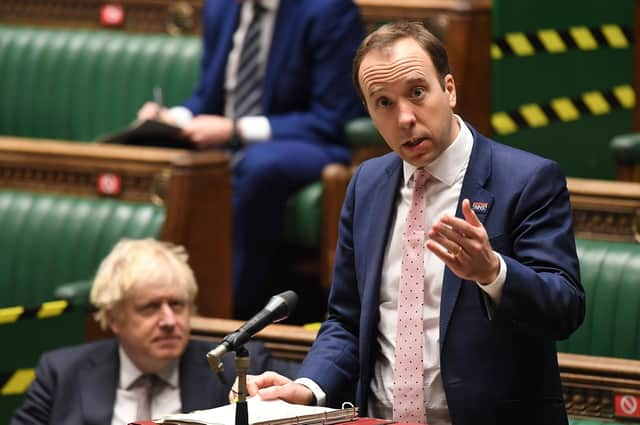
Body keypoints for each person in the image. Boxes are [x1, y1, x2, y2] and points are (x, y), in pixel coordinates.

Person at [235, 22, 586, 425]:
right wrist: (309, 387)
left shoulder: (526, 181)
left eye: (417, 93)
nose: (404, 117)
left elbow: (566, 309)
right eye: (383, 102)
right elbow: (347, 320)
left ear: (449, 89)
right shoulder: (365, 184)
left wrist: (494, 273)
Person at [137, 0, 366, 319]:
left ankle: (229, 312)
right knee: (149, 144)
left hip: (310, 143)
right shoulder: (221, 7)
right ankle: (150, 299)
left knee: (258, 165)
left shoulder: (327, 10)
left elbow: (332, 118)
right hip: (229, 140)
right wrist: (172, 117)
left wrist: (236, 130)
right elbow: (206, 95)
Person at [11, 238, 291, 425]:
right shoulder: (61, 373)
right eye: (150, 308)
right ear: (113, 318)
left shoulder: (238, 369)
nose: (169, 320)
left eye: (177, 304)